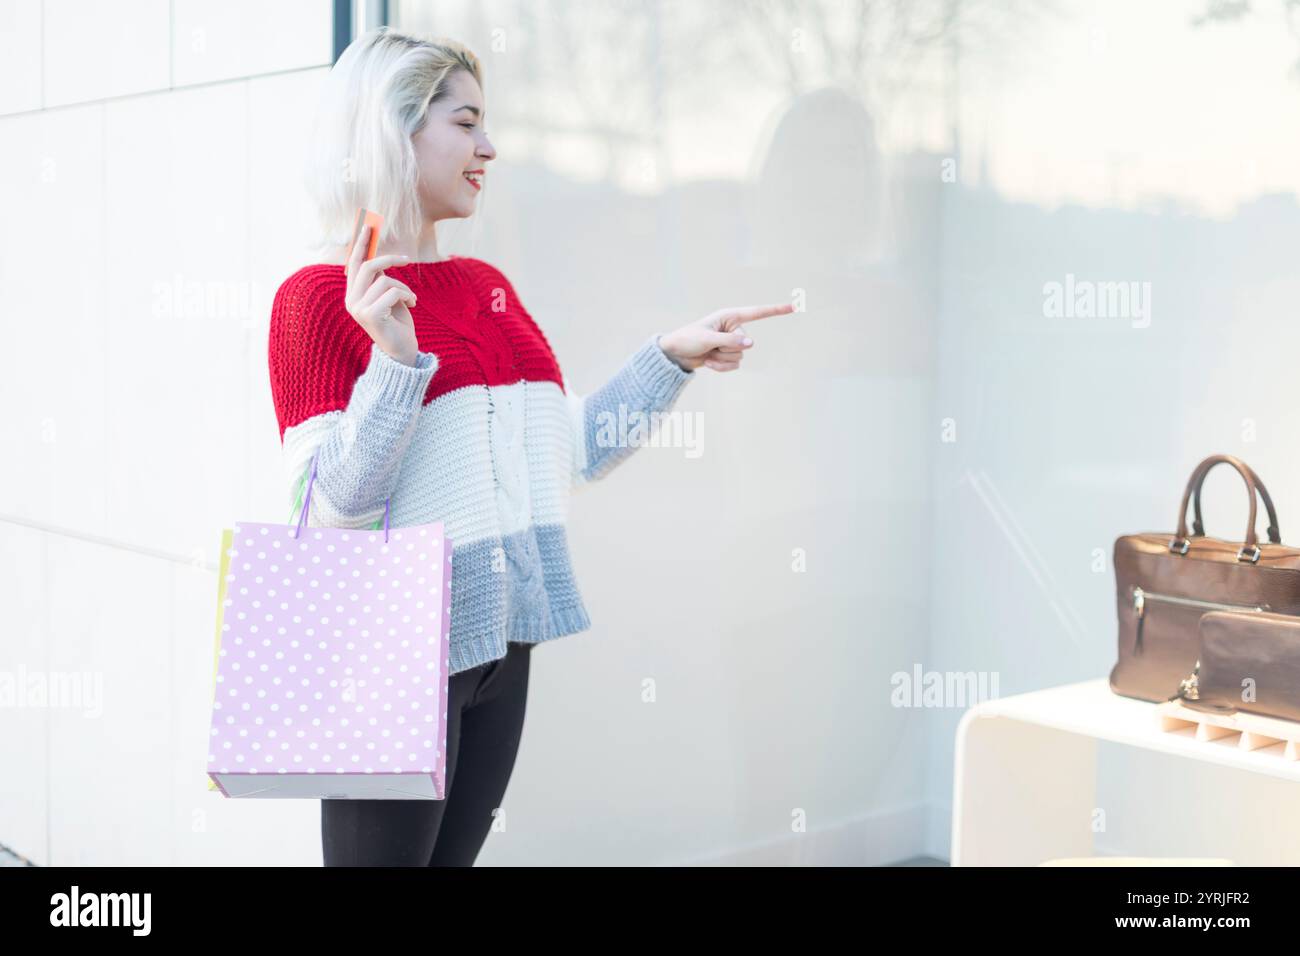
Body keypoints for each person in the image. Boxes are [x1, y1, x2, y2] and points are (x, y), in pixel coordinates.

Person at [267, 26, 794, 866]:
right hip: (396, 657)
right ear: (394, 132)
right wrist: (395, 363)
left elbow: (570, 452)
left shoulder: (487, 290)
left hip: (504, 650)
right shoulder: (318, 302)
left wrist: (669, 357)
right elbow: (326, 515)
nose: (489, 147)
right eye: (466, 123)